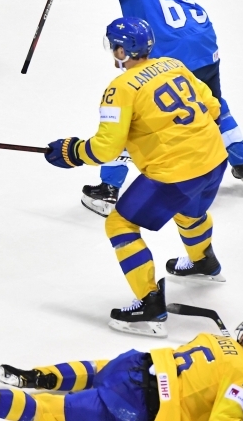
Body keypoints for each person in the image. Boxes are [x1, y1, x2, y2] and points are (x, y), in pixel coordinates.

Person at [53, 0, 243, 216]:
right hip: (204, 48)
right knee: (213, 106)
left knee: (132, 121)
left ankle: (108, 190)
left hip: (169, 57)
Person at [44, 17, 228, 337]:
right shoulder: (174, 64)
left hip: (175, 172)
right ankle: (204, 262)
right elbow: (212, 106)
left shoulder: (120, 89)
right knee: (190, 211)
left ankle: (149, 307)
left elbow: (105, 149)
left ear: (120, 50)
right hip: (214, 158)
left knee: (119, 223)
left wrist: (71, 152)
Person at [0, 315, 243, 421]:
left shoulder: (211, 337)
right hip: (145, 403)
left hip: (140, 366)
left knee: (95, 369)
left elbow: (208, 373)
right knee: (53, 411)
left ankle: (36, 376)